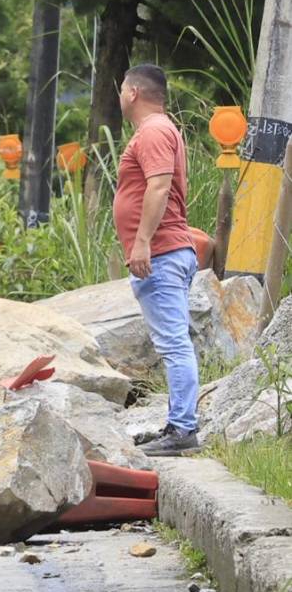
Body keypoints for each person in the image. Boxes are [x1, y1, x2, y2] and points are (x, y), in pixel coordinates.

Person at [113, 64, 199, 456]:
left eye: (120, 91)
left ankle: (182, 431)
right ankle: (176, 425)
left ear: (132, 92)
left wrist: (143, 241)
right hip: (164, 252)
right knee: (172, 343)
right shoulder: (160, 131)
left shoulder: (153, 131)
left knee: (174, 345)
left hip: (161, 253)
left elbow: (160, 185)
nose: (119, 97)